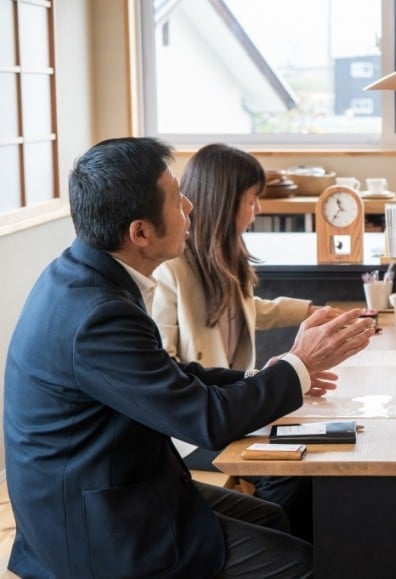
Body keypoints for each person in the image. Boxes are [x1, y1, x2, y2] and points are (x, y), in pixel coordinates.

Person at [3, 137, 376, 578]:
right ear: (140, 233)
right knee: (303, 564)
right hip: (98, 530)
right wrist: (299, 365)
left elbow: (173, 375)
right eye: (176, 198)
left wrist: (270, 373)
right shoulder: (100, 314)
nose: (190, 206)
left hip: (119, 489)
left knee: (276, 519)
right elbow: (206, 421)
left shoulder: (86, 276)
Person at [152, 143, 316, 540]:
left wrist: (311, 311)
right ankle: (284, 551)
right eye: (252, 199)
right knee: (293, 473)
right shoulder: (171, 270)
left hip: (230, 412)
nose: (257, 209)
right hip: (192, 429)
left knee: (312, 447)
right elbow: (166, 367)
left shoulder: (225, 258)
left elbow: (249, 310)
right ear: (225, 202)